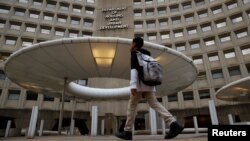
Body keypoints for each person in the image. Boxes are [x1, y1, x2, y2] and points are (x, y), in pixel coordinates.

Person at [115, 37, 184, 140]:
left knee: (132, 106)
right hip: (150, 84)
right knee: (155, 104)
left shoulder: (135, 54)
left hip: (139, 85)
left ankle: (127, 131)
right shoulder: (147, 55)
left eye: (132, 43)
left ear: (134, 44)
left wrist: (133, 86)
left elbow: (134, 71)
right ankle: (173, 124)